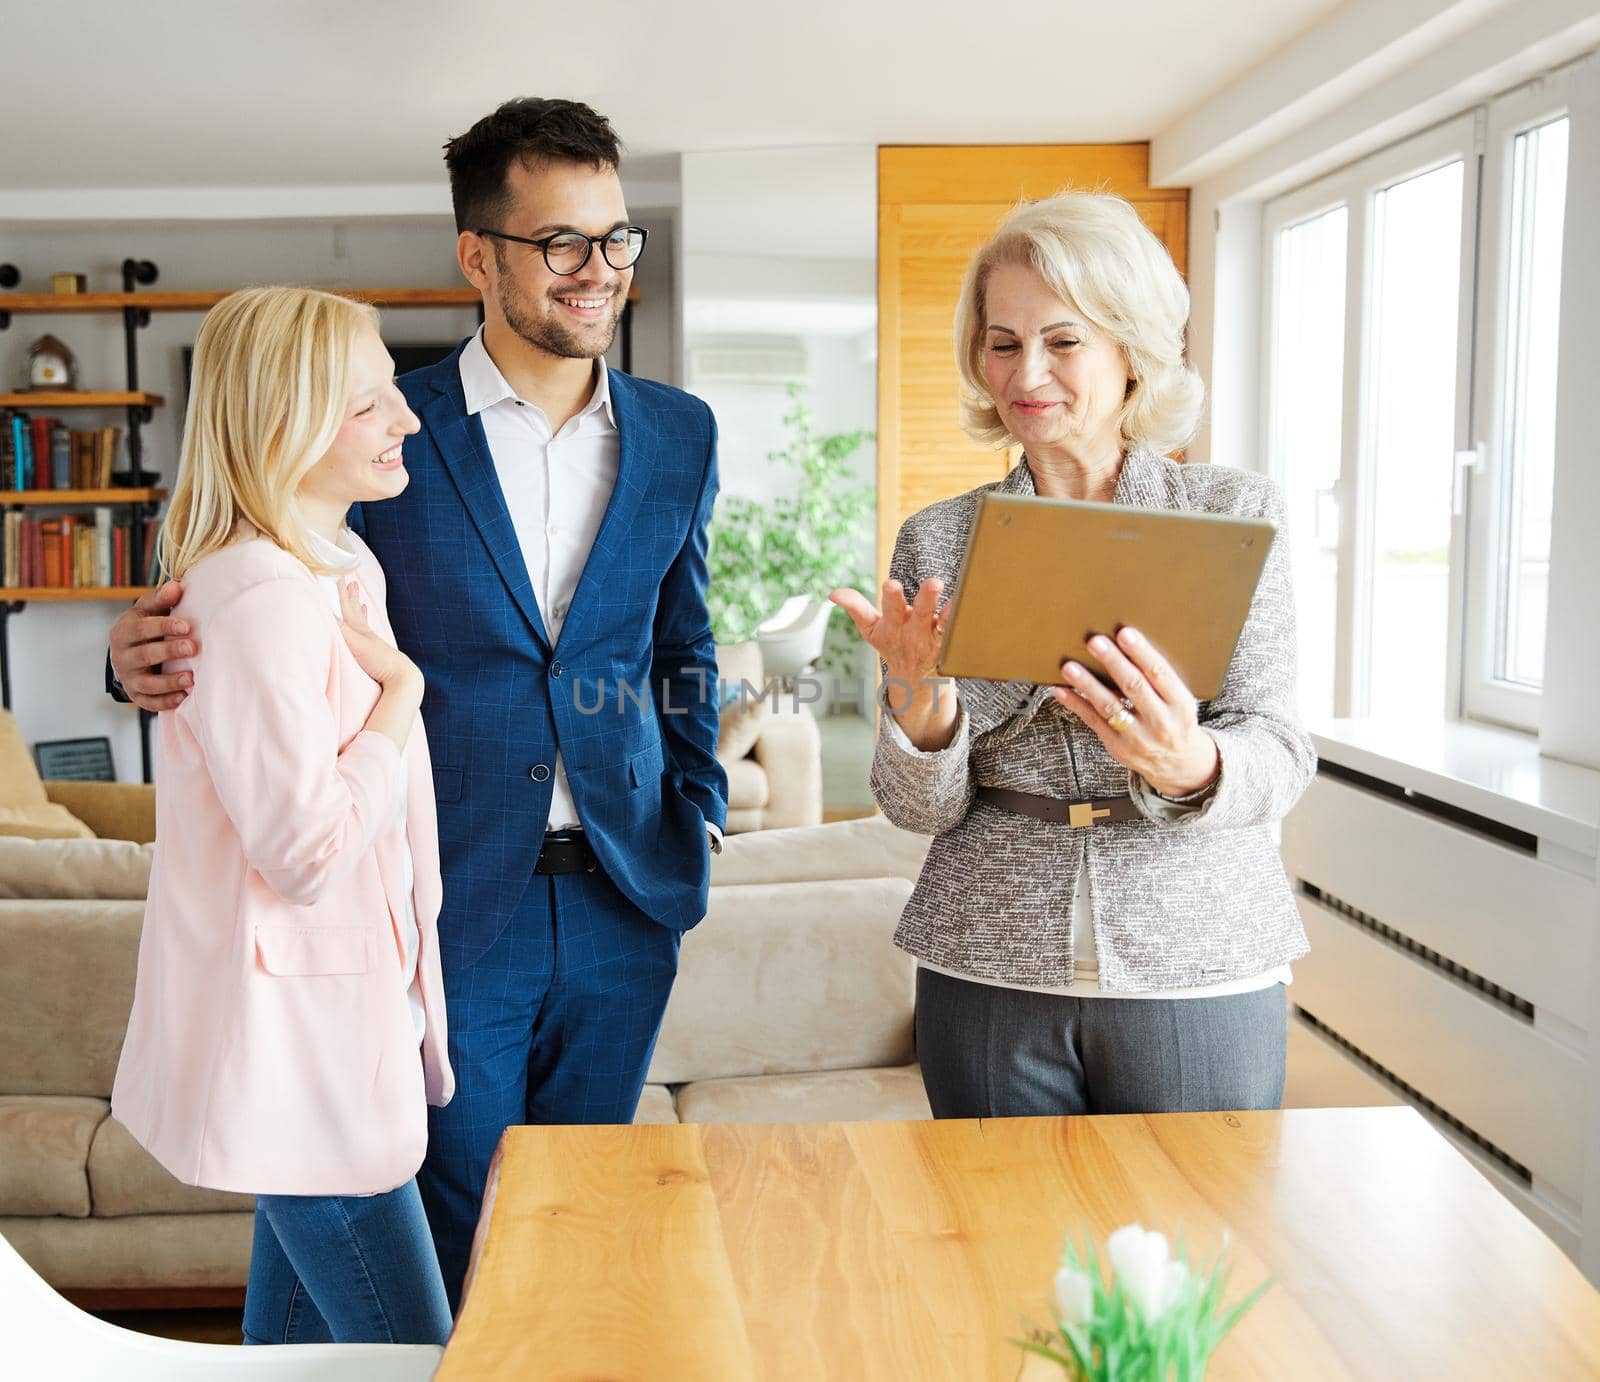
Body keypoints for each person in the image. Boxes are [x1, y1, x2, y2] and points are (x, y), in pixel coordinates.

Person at [107, 98, 728, 1309]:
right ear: (478, 254)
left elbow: (681, 636)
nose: (596, 271)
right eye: (560, 242)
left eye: (615, 239)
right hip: (447, 904)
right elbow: (256, 579)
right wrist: (142, 655)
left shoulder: (680, 433)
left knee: (586, 1218)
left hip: (625, 896)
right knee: (449, 1241)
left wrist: (697, 800)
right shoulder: (384, 426)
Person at [832, 190, 1313, 1120]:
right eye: (1002, 342)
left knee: (1194, 1249)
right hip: (985, 961)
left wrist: (1192, 763)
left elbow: (1280, 751)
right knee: (998, 1252)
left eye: (1062, 340)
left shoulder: (1232, 512)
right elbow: (915, 806)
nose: (1026, 372)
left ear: (1130, 349)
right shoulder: (937, 540)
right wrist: (918, 705)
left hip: (1197, 956)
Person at [110, 286, 454, 1345]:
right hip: (303, 1052)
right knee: (421, 1358)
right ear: (286, 422)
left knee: (294, 1356)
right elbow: (304, 850)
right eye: (371, 403)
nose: (406, 419)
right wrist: (400, 704)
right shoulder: (259, 593)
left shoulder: (339, 571)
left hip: (337, 1029)